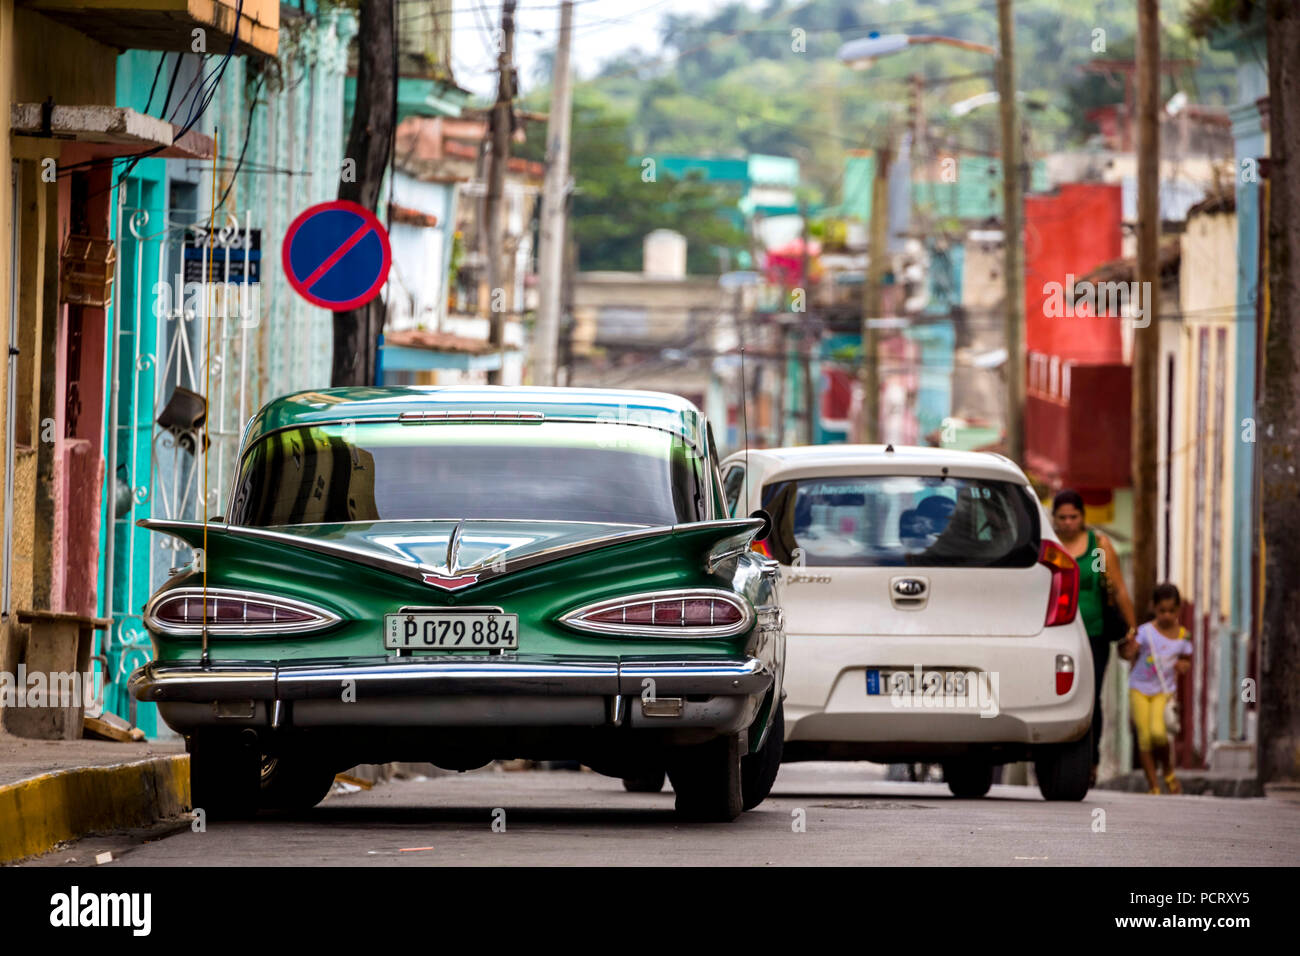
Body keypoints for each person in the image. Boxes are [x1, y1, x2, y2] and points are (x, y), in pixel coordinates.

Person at [1051, 489, 1136, 787]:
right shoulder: (1049, 546)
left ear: (1083, 518)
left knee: (1091, 697)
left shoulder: (1097, 548)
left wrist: (1132, 631)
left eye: (1074, 516)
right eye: (1062, 517)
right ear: (1054, 518)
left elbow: (1116, 588)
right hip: (1056, 636)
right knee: (1058, 695)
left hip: (1094, 635)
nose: (1068, 522)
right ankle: (1056, 758)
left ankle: (1091, 761)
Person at [1119, 583, 1192, 794]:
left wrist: (1182, 666)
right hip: (1139, 689)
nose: (1167, 616)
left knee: (1159, 734)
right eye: (1162, 611)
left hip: (1163, 691)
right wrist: (1129, 650)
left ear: (1178, 610)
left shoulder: (1183, 637)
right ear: (1154, 608)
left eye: (1171, 610)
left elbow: (1186, 659)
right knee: (1144, 736)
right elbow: (1126, 654)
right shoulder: (1145, 632)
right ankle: (1154, 786)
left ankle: (1168, 772)